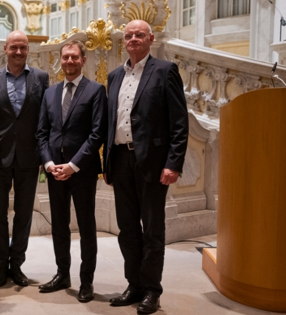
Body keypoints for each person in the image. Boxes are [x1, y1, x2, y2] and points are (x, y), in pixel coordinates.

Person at [103, 19, 188, 314]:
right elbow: (110, 122)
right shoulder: (114, 76)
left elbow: (179, 122)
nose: (134, 39)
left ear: (151, 38)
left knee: (152, 229)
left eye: (140, 35)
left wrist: (173, 162)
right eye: (129, 35)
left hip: (152, 163)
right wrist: (108, 164)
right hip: (121, 159)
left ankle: (152, 290)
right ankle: (134, 284)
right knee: (127, 229)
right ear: (123, 41)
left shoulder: (165, 71)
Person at [36, 40, 107, 302]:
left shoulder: (96, 91)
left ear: (83, 60)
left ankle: (86, 281)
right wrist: (48, 163)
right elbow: (42, 133)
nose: (69, 61)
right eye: (65, 57)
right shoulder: (50, 93)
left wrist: (73, 165)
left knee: (87, 227)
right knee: (59, 226)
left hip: (83, 170)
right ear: (60, 60)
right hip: (55, 170)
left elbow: (97, 133)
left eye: (74, 57)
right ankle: (62, 274)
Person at [0, 30, 49, 287]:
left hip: (29, 157)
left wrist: (47, 154)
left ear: (28, 50)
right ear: (5, 49)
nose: (19, 52)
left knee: (23, 214)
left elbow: (46, 117)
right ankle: (1, 265)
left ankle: (17, 264)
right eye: (14, 48)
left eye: (23, 47)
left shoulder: (41, 78)